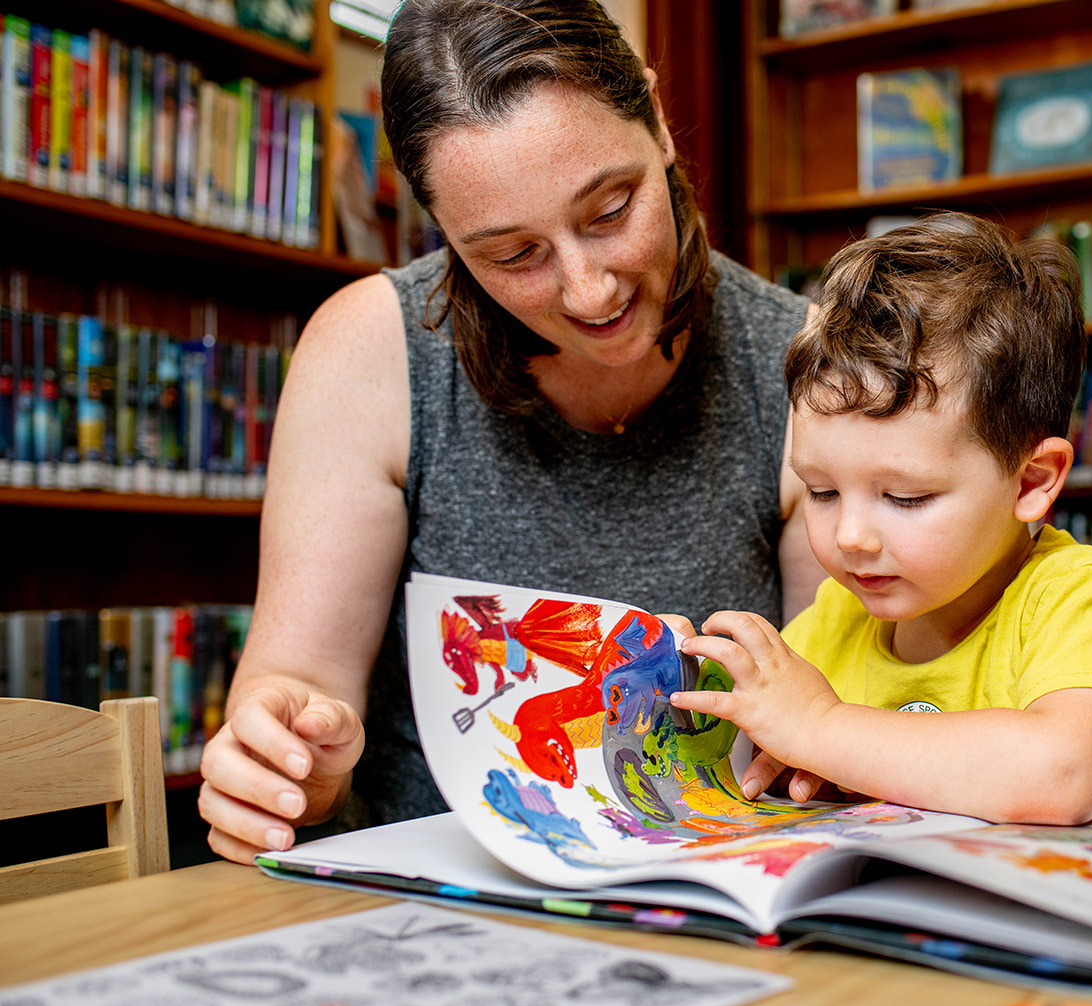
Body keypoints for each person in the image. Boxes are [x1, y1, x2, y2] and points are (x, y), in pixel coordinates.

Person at [198, 0, 824, 863]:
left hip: (716, 887)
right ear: (444, 231)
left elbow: (840, 717)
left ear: (657, 118)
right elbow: (299, 688)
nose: (589, 290)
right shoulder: (369, 353)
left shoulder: (806, 365)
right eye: (511, 254)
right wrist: (287, 759)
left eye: (610, 209)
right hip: (431, 905)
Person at [671, 212, 1092, 825]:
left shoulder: (1076, 596)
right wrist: (676, 675)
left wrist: (823, 726)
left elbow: (1063, 777)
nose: (850, 538)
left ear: (1032, 482)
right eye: (822, 492)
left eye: (905, 499)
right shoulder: (835, 617)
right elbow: (760, 739)